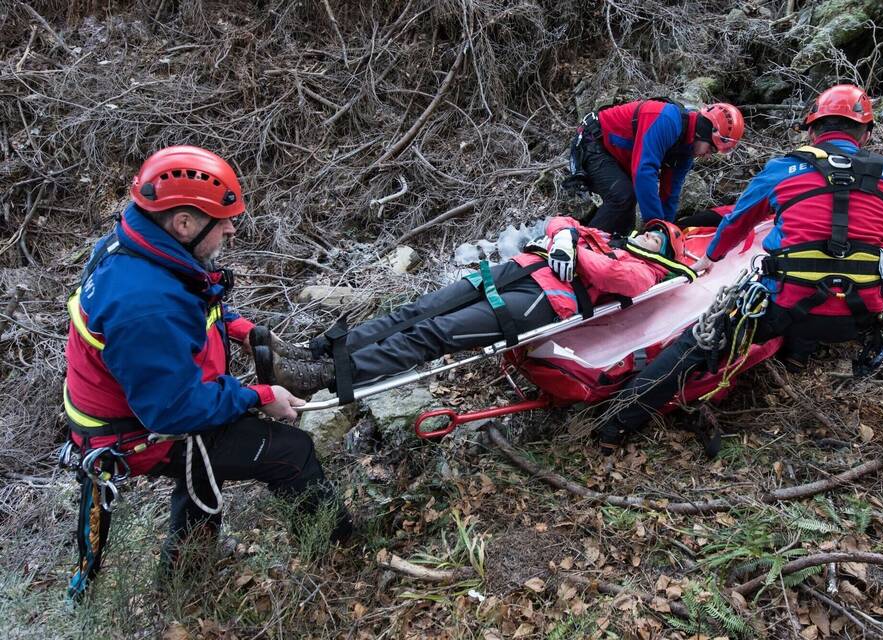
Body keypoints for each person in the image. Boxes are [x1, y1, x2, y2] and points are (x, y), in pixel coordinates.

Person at [64, 146, 353, 572]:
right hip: (140, 433)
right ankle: (341, 553)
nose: (232, 230)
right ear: (184, 223)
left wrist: (240, 329)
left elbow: (193, 303)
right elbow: (174, 412)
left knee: (202, 469)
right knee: (291, 451)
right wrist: (258, 396)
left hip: (138, 413)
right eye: (224, 222)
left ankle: (186, 573)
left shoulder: (138, 246)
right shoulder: (144, 303)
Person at [596, 84, 883, 453]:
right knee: (823, 289)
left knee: (698, 342)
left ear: (812, 130)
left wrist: (711, 257)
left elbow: (738, 221)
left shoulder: (786, 167)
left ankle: (614, 425)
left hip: (789, 305)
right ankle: (796, 356)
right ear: (867, 133)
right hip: (860, 315)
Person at [251, 216, 697, 398]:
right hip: (512, 273)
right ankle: (313, 352)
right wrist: (565, 235)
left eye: (658, 238)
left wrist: (574, 249)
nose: (647, 235)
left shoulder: (648, 272)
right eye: (650, 230)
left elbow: (613, 279)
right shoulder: (607, 239)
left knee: (433, 334)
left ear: (664, 254)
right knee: (414, 311)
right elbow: (561, 222)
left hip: (537, 304)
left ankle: (320, 378)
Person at [564, 97, 745, 235]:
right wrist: (656, 226)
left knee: (624, 225)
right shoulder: (667, 120)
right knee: (623, 196)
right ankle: (578, 247)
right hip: (593, 143)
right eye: (712, 149)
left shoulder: (686, 151)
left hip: (617, 156)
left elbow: (670, 195)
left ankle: (604, 256)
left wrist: (666, 231)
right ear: (706, 131)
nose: (707, 156)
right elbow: (643, 173)